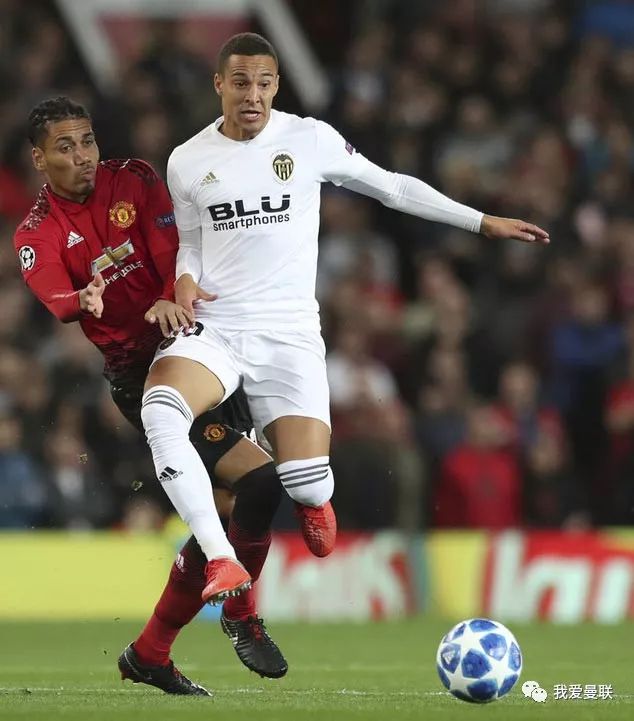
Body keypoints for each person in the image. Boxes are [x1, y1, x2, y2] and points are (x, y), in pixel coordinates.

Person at [143, 32, 549, 553]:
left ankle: (308, 490)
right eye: (241, 83)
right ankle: (220, 533)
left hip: (288, 331)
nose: (253, 95)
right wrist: (184, 278)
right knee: (163, 405)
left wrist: (481, 221)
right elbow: (193, 241)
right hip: (217, 325)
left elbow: (392, 187)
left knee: (307, 483)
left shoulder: (309, 139)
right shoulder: (187, 160)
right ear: (219, 84)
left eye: (264, 84)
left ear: (277, 85)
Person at [13, 96, 288, 695]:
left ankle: (149, 653)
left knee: (241, 501)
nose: (83, 156)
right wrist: (79, 301)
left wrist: (170, 295)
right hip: (143, 375)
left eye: (87, 141)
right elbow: (55, 297)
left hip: (201, 347)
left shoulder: (133, 179)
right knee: (259, 482)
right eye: (65, 147)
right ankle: (240, 616)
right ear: (38, 158)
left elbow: (173, 253)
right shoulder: (37, 230)